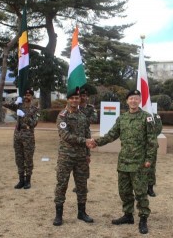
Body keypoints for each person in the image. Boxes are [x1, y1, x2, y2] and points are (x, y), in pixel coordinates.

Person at [92, 89, 158, 235]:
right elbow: (111, 135)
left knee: (141, 192)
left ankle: (143, 219)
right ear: (127, 101)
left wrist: (149, 160)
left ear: (140, 100)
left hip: (139, 163)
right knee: (124, 191)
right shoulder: (122, 119)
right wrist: (96, 142)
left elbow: (152, 142)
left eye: (136, 98)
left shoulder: (146, 118)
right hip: (123, 162)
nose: (133, 101)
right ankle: (128, 215)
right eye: (131, 98)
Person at [53, 88, 95, 226]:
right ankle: (59, 215)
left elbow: (87, 133)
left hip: (81, 157)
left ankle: (82, 212)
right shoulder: (62, 116)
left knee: (82, 185)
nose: (75, 100)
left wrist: (88, 153)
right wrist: (84, 141)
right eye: (72, 98)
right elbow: (65, 136)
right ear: (68, 99)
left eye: (77, 98)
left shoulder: (82, 115)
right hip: (66, 156)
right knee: (62, 184)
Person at [4, 88, 39, 190]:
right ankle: (21, 180)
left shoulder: (35, 109)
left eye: (28, 95)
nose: (26, 97)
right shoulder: (19, 105)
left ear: (32, 97)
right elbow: (5, 104)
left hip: (28, 135)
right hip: (17, 135)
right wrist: (15, 100)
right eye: (25, 95)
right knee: (19, 158)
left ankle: (28, 181)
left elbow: (34, 123)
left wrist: (24, 115)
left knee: (28, 159)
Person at [72, 87, 97, 193]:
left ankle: (84, 185)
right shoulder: (74, 108)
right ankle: (77, 185)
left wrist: (81, 120)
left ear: (87, 97)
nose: (83, 98)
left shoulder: (91, 108)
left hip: (86, 135)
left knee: (85, 160)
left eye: (85, 96)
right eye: (81, 96)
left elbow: (94, 118)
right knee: (74, 161)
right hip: (75, 136)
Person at [147, 113, 162, 197]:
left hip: (151, 146)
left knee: (151, 168)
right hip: (138, 147)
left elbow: (158, 129)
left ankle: (150, 188)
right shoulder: (135, 114)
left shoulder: (155, 116)